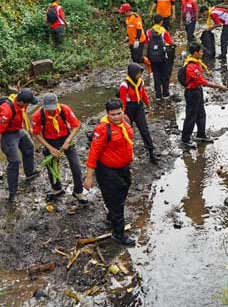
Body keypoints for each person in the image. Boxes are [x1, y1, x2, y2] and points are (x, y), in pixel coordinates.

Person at [84, 99, 136, 246]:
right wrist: (89, 177)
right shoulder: (102, 129)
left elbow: (128, 140)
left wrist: (130, 155)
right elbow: (93, 153)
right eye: (112, 115)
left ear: (123, 111)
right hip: (108, 171)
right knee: (116, 201)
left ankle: (111, 217)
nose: (116, 117)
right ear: (107, 114)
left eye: (119, 113)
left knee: (124, 190)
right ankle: (118, 234)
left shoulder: (124, 122)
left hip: (123, 168)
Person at [32, 93, 88, 202]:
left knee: (75, 165)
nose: (51, 111)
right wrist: (50, 148)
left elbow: (76, 125)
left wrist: (68, 141)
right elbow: (37, 134)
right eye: (48, 109)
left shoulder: (64, 109)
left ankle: (78, 191)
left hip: (66, 138)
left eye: (53, 108)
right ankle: (57, 189)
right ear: (43, 105)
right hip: (49, 141)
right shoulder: (38, 115)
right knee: (52, 167)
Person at [0, 89, 39, 202]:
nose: (29, 105)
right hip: (8, 135)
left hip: (18, 129)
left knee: (29, 147)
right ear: (22, 102)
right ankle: (13, 192)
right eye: (28, 103)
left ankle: (29, 172)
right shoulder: (6, 111)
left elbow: (23, 114)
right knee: (14, 162)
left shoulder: (21, 102)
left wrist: (29, 127)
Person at [180, 42, 227, 149]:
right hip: (192, 92)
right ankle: (185, 138)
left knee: (201, 113)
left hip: (197, 90)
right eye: (200, 51)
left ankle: (201, 134)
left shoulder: (196, 62)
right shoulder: (191, 67)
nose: (202, 53)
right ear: (195, 52)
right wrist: (219, 86)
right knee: (191, 116)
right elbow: (203, 82)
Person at [118, 63, 160, 163]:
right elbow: (122, 101)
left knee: (144, 130)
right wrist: (122, 115)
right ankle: (126, 154)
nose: (140, 75)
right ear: (132, 73)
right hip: (128, 108)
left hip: (139, 107)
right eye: (138, 73)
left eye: (140, 73)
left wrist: (149, 106)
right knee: (127, 132)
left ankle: (151, 152)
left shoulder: (140, 82)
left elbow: (143, 94)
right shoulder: (124, 85)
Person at [146, 14, 174, 99]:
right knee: (164, 74)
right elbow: (170, 42)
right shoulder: (163, 31)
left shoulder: (148, 32)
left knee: (156, 75)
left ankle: (158, 95)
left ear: (153, 21)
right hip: (163, 56)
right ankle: (165, 94)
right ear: (161, 22)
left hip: (152, 57)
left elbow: (147, 43)